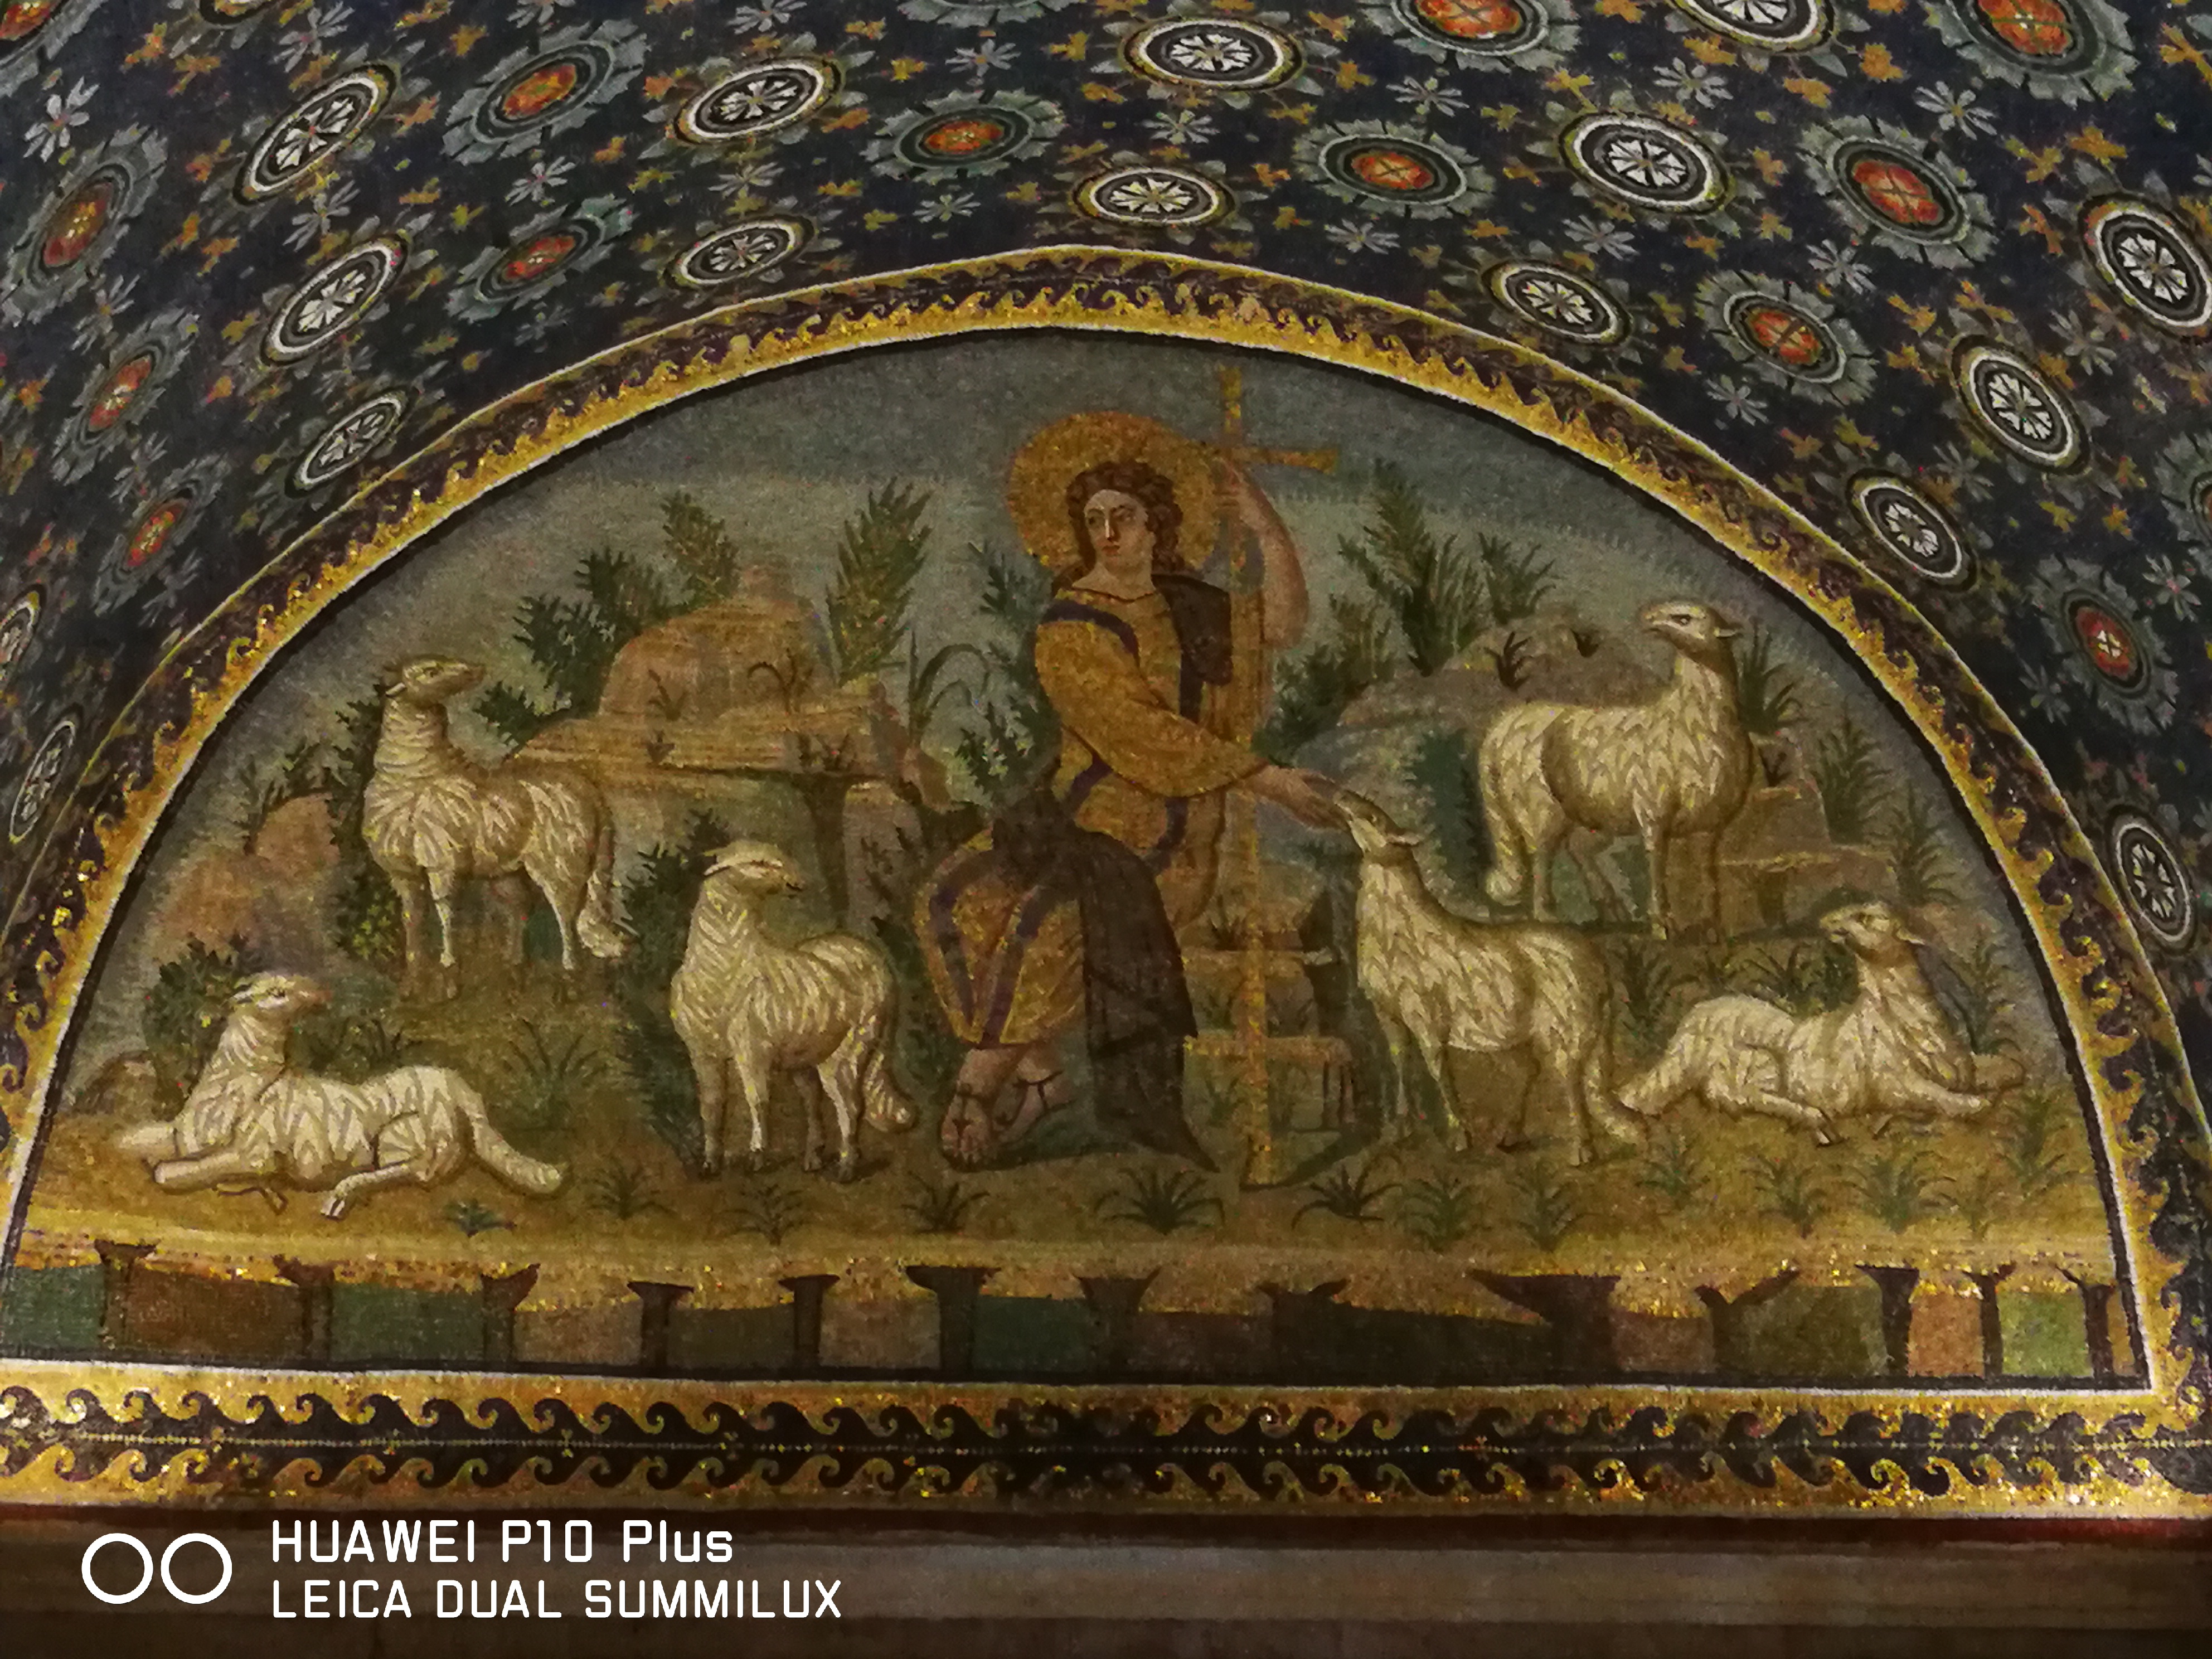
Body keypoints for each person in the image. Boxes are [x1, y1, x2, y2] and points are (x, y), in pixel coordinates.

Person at [915, 426, 1338, 1169]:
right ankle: (1043, 1078)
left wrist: (1264, 526)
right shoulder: (1070, 624)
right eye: (1094, 521)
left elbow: (1282, 623)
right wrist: (1268, 779)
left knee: (1042, 928)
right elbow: (1135, 732)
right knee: (948, 902)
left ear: (1157, 524)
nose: (1109, 534)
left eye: (1125, 517)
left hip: (1163, 839)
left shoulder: (1194, 610)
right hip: (1073, 818)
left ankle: (976, 1089)